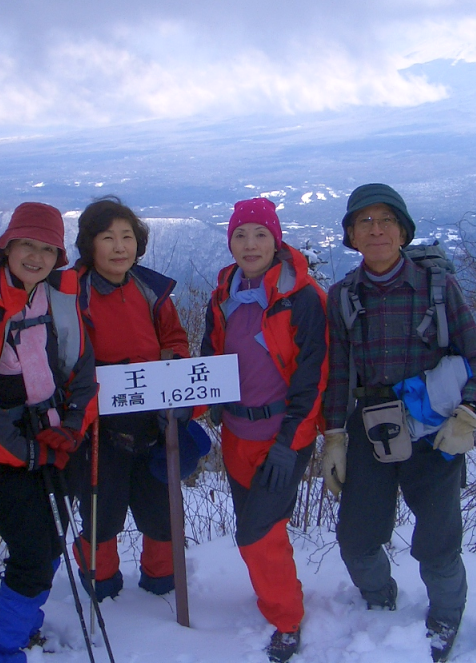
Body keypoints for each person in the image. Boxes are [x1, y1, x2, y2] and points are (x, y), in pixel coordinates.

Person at [319, 184, 476, 662]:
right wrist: (333, 436)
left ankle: (445, 618)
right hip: (370, 429)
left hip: (436, 431)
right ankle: (379, 600)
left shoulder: (438, 287)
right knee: (356, 538)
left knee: (438, 541)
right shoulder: (342, 297)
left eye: (386, 221)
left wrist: (469, 412)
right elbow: (337, 372)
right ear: (351, 236)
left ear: (403, 231)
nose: (376, 231)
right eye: (365, 223)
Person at [0, 202, 98, 663]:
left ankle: (26, 625)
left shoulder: (58, 298)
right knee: (33, 552)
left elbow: (85, 371)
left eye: (47, 249)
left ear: (59, 256)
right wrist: (27, 454)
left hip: (56, 434)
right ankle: (5, 648)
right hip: (6, 443)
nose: (36, 257)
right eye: (26, 245)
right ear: (7, 246)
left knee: (54, 535)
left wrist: (73, 426)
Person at [200, 198, 328, 663]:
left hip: (282, 438)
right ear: (230, 242)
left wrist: (290, 444)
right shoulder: (226, 291)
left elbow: (314, 375)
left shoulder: (303, 297)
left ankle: (287, 619)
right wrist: (202, 404)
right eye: (240, 235)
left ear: (276, 240)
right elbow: (210, 350)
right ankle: (278, 596)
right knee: (257, 530)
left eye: (259, 234)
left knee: (257, 533)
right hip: (236, 434)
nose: (249, 244)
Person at [67, 196, 192, 600]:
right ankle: (101, 584)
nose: (120, 247)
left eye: (127, 237)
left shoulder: (150, 289)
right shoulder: (74, 293)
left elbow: (173, 339)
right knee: (101, 515)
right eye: (108, 237)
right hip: (99, 426)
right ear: (90, 244)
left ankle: (162, 581)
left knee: (161, 509)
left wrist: (173, 384)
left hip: (153, 420)